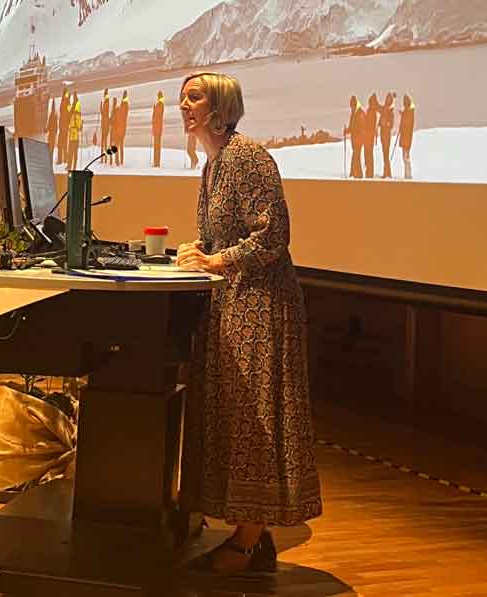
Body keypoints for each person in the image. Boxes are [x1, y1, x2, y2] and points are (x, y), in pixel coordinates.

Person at [176, 72, 322, 574]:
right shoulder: (212, 164)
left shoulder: (248, 156)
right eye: (183, 96)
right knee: (234, 417)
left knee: (254, 418)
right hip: (234, 303)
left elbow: (272, 236)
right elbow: (221, 236)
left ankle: (246, 543)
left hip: (262, 307)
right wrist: (201, 251)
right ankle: (251, 540)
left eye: (194, 96)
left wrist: (219, 261)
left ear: (220, 106)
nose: (183, 104)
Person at [344, 95, 365, 178]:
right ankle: (353, 173)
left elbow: (361, 127)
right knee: (355, 156)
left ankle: (358, 175)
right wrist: (347, 130)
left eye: (352, 106)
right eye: (351, 106)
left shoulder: (360, 113)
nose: (351, 108)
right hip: (354, 139)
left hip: (359, 139)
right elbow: (352, 126)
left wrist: (353, 130)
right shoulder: (353, 113)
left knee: (356, 156)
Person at [378, 92, 395, 178]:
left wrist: (385, 124)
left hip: (386, 135)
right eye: (387, 98)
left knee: (386, 154)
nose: (387, 99)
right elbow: (379, 109)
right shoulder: (385, 108)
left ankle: (387, 173)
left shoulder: (390, 111)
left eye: (389, 98)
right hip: (383, 135)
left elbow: (391, 124)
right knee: (385, 154)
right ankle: (387, 173)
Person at [399, 94, 415, 180]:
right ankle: (407, 174)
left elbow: (407, 124)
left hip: (407, 138)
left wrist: (403, 115)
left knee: (406, 157)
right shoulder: (408, 112)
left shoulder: (409, 112)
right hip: (405, 138)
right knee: (405, 157)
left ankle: (408, 175)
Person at [364, 93, 380, 179]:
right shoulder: (371, 111)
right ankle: (368, 172)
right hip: (368, 136)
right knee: (368, 154)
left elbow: (369, 125)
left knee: (369, 154)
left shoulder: (372, 112)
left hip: (369, 136)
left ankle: (369, 173)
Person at [67, 90, 82, 171]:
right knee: (73, 152)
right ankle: (72, 166)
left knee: (72, 151)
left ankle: (72, 166)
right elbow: (80, 128)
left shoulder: (75, 116)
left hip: (74, 136)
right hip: (74, 136)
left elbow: (79, 128)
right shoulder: (76, 115)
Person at [57, 86, 70, 165]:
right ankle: (64, 159)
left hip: (63, 127)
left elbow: (62, 109)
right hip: (65, 127)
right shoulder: (67, 104)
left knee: (61, 144)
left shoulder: (64, 105)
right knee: (64, 144)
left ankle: (61, 160)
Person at [152, 90, 165, 167]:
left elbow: (157, 116)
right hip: (157, 128)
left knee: (157, 146)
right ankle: (156, 162)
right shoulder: (159, 105)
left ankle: (157, 162)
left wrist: (155, 110)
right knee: (156, 145)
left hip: (158, 128)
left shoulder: (160, 105)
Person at [117, 90, 130, 166]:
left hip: (121, 127)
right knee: (120, 144)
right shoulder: (125, 104)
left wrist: (119, 110)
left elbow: (122, 115)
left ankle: (120, 161)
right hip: (122, 127)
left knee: (119, 144)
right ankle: (120, 161)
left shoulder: (124, 104)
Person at [100, 88, 111, 163]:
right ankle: (105, 159)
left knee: (103, 142)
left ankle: (103, 159)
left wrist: (101, 107)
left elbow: (103, 113)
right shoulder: (107, 102)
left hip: (104, 124)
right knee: (105, 142)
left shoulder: (106, 103)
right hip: (106, 124)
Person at [109, 96, 119, 166]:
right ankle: (112, 160)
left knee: (115, 145)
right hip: (113, 129)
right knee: (113, 145)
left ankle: (116, 161)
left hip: (115, 129)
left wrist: (111, 121)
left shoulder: (116, 110)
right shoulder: (113, 110)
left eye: (114, 102)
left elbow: (116, 120)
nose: (113, 103)